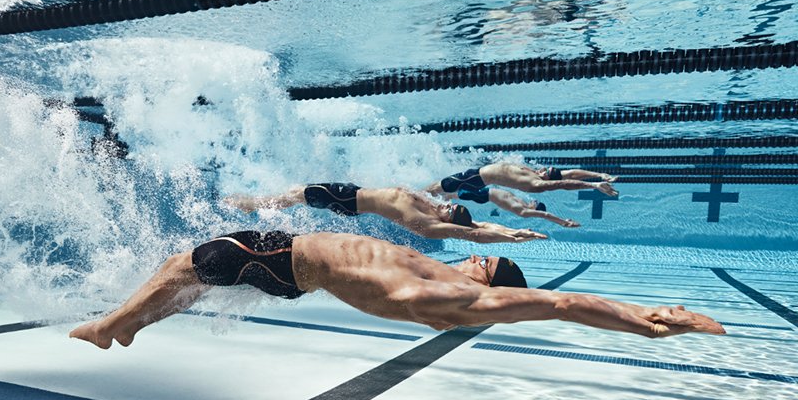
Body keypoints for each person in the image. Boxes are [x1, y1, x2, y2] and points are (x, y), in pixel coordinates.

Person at [69, 230, 725, 349]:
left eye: (484, 258)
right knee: (183, 267)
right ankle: (131, 321)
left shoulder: (466, 299)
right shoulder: (444, 276)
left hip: (289, 261)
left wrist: (640, 317)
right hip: (288, 260)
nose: (473, 256)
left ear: (487, 279)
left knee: (187, 263)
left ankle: (115, 325)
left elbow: (558, 304)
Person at [222, 183, 547, 244]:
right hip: (352, 190)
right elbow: (478, 223)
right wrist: (509, 229)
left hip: (349, 201)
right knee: (295, 193)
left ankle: (254, 206)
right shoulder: (434, 207)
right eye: (454, 204)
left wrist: (515, 236)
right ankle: (258, 204)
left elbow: (474, 232)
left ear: (447, 222)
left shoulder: (433, 225)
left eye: (452, 210)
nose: (448, 204)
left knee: (295, 194)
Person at [423, 162, 618, 199]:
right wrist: (599, 175)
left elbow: (565, 183)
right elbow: (571, 174)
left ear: (548, 178)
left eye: (546, 171)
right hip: (476, 172)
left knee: (438, 188)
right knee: (439, 190)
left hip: (475, 178)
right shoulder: (539, 174)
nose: (541, 169)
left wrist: (593, 186)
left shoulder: (537, 184)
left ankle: (416, 196)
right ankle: (420, 196)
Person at [436, 185, 581, 228]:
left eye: (536, 203)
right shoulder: (523, 203)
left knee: (452, 194)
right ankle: (438, 196)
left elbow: (546, 215)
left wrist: (563, 222)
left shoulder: (523, 210)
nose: (534, 201)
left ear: (536, 209)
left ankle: (436, 198)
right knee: (454, 191)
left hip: (483, 195)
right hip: (484, 193)